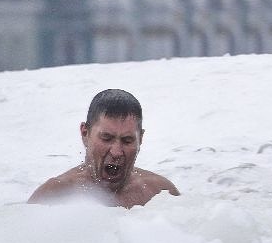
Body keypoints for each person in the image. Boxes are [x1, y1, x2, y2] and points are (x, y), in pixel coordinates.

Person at [28, 89, 179, 208]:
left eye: (127, 140)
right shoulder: (51, 198)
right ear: (85, 133)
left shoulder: (160, 194)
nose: (116, 152)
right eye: (106, 138)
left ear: (141, 139)